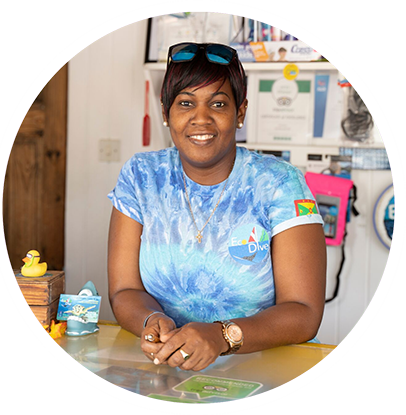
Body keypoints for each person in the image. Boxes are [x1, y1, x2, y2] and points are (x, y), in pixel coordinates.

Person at [107, 42, 326, 372]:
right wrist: (151, 320)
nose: (201, 118)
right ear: (166, 113)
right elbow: (125, 289)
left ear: (240, 112)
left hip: (258, 371)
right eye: (186, 103)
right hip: (163, 368)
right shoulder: (142, 176)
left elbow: (304, 312)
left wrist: (222, 336)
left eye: (218, 103)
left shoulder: (279, 183)